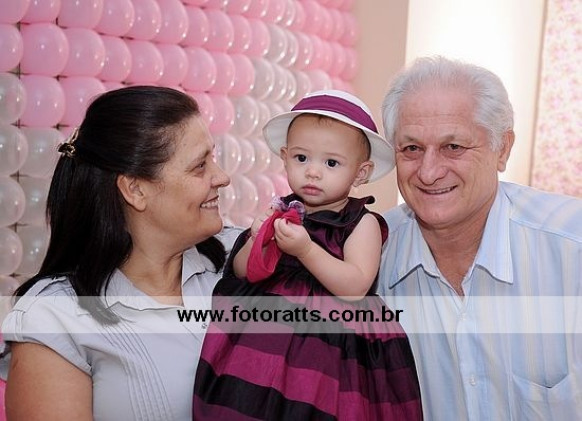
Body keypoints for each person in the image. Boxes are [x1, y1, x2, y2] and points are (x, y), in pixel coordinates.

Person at [0, 86, 242, 420]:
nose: (222, 177)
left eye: (213, 159)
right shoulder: (57, 317)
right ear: (135, 189)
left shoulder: (242, 258)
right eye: (200, 165)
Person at [193, 90, 422, 420]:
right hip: (262, 342)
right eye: (302, 158)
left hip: (333, 349)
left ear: (360, 173)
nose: (313, 172)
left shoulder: (361, 223)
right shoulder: (280, 212)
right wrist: (257, 240)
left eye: (331, 163)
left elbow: (355, 286)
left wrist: (305, 250)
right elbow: (241, 273)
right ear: (285, 157)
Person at [378, 55, 582, 420]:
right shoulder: (368, 261)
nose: (428, 172)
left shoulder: (572, 248)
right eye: (411, 149)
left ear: (502, 149)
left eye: (453, 147)